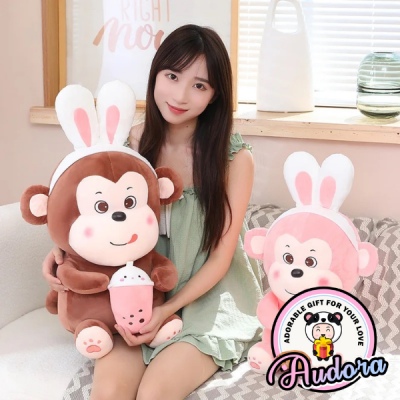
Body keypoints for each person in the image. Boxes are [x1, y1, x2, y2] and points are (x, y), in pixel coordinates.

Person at [42, 24, 264, 400]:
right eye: (172, 76)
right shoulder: (125, 146)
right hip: (136, 292)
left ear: (215, 95)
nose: (180, 95)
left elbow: (222, 258)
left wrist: (168, 309)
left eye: (199, 85)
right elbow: (91, 213)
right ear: (156, 74)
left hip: (208, 298)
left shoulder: (234, 158)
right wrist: (62, 251)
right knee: (109, 392)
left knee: (155, 392)